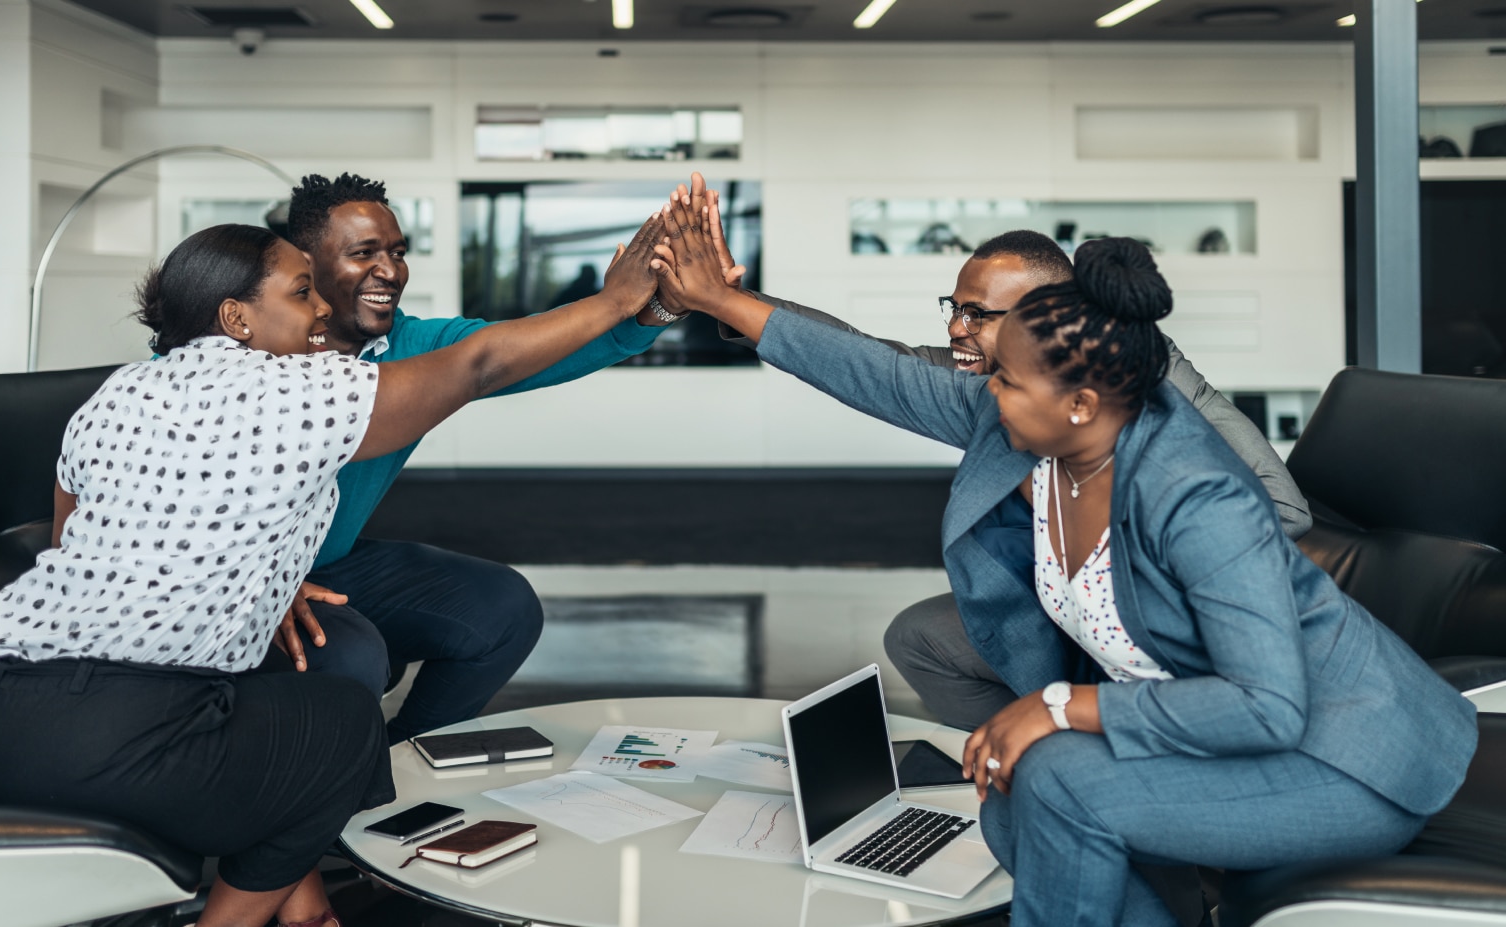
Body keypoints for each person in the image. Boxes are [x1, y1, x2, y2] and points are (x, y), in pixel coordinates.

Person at [650, 200, 1477, 927]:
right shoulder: (1041, 425)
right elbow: (873, 371)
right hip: (1215, 719)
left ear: (1080, 402)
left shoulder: (1196, 495)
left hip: (1344, 758)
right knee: (1017, 797)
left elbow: (1268, 707)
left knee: (1057, 783)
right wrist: (723, 299)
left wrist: (1057, 704)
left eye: (1005, 380)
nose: (984, 390)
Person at [0, 216, 664, 927]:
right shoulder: (304, 391)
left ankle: (306, 895)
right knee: (342, 727)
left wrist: (259, 579)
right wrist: (617, 300)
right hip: (119, 743)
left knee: (305, 691)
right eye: (301, 292)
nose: (322, 311)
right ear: (237, 318)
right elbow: (479, 363)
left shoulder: (115, 393)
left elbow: (70, 540)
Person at [674, 172, 1309, 734]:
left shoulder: (1147, 383)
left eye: (977, 314)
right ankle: (1025, 754)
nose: (956, 327)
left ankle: (1083, 744)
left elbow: (1282, 510)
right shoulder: (992, 392)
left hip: (1185, 642)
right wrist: (732, 302)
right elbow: (874, 364)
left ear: (1049, 318)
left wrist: (1105, 583)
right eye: (955, 307)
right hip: (1071, 613)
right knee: (923, 638)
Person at [269, 173, 687, 743]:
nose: (390, 272)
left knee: (502, 607)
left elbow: (525, 352)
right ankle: (337, 787)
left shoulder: (416, 346)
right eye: (363, 253)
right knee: (352, 662)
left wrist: (657, 308)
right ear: (305, 262)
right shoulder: (248, 348)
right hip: (233, 571)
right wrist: (259, 579)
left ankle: (409, 754)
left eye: (396, 253)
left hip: (332, 564)